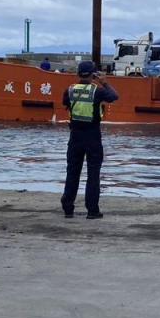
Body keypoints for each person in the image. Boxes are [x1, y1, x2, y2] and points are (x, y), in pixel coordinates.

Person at [60, 60, 118, 219]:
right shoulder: (97, 91)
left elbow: (66, 103)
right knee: (93, 173)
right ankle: (92, 210)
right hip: (92, 136)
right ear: (93, 75)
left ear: (78, 74)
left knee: (72, 172)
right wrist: (105, 82)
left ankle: (68, 207)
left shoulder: (70, 90)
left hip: (75, 137)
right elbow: (114, 96)